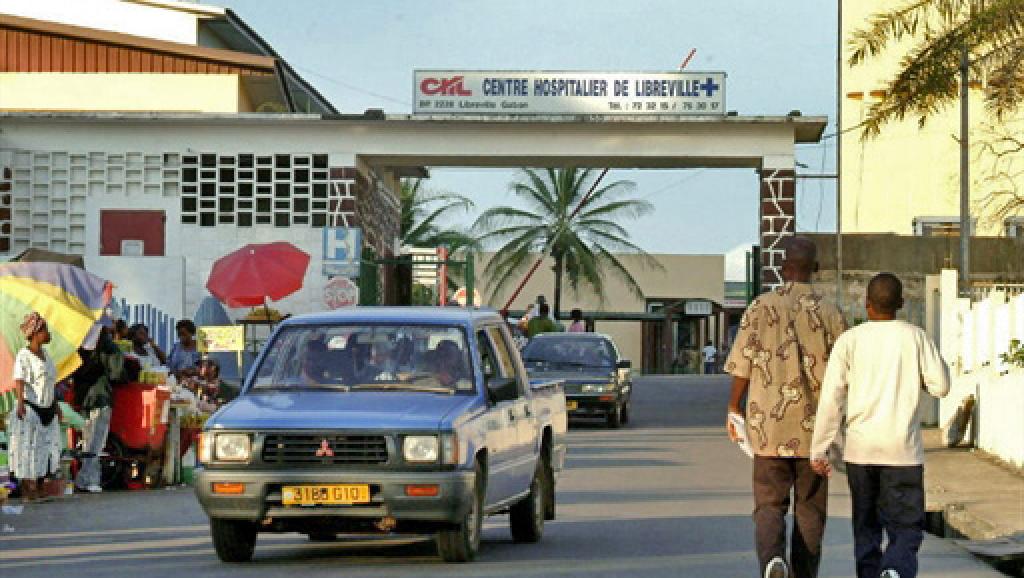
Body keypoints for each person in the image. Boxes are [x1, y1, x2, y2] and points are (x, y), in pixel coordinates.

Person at [810, 273, 950, 578]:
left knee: (866, 528)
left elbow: (831, 399)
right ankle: (895, 570)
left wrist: (819, 449)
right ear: (901, 303)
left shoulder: (850, 341)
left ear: (866, 303)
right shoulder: (916, 337)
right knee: (906, 529)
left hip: (861, 452)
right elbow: (941, 386)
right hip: (902, 452)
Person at [724, 236, 847, 578]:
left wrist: (734, 407)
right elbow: (845, 373)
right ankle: (804, 574)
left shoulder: (760, 307)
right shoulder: (831, 313)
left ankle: (772, 562)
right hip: (815, 432)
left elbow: (742, 365)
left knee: (768, 504)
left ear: (782, 269)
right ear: (816, 270)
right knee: (810, 509)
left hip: (768, 428)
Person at [9, 312, 62, 503]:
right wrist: (21, 403)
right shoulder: (24, 355)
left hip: (47, 406)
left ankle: (40, 486)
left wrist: (56, 405)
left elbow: (50, 383)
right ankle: (27, 489)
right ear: (35, 333)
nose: (48, 334)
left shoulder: (46, 355)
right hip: (31, 407)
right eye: (44, 330)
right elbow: (19, 380)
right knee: (28, 448)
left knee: (45, 447)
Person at [71, 327, 124, 493]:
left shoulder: (79, 346)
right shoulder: (110, 348)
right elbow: (116, 374)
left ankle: (83, 479)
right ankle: (90, 478)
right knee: (97, 441)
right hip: (100, 396)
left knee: (87, 439)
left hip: (83, 397)